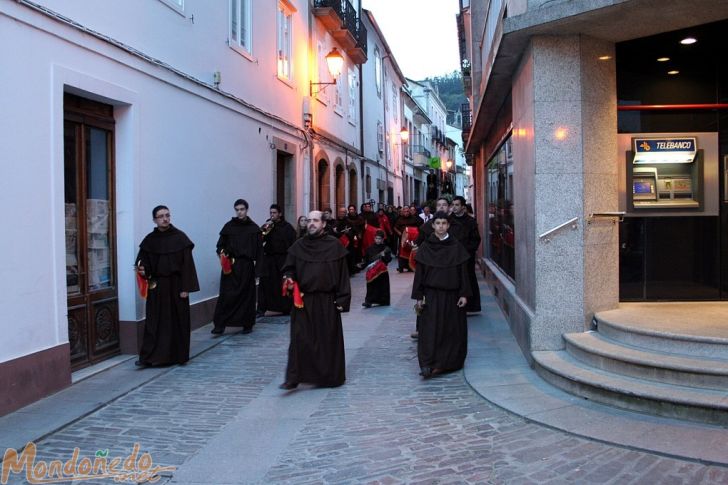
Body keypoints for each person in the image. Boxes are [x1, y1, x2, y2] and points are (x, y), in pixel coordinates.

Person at [280, 211, 351, 389]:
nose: (311, 223)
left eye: (315, 220)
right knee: (300, 338)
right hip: (303, 300)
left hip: (327, 301)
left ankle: (329, 377)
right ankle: (294, 377)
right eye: (309, 220)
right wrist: (288, 279)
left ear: (323, 224)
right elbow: (289, 269)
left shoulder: (334, 246)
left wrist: (342, 299)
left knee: (326, 339)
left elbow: (343, 275)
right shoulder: (298, 246)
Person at [135, 205, 199, 367]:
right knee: (154, 321)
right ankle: (149, 357)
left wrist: (186, 288)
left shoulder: (180, 238)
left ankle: (178, 356)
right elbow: (142, 262)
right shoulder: (150, 240)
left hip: (177, 286)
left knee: (178, 320)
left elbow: (187, 265)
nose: (165, 218)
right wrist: (142, 269)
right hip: (157, 286)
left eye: (167, 215)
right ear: (154, 220)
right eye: (161, 216)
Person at [412, 211, 470, 378]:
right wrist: (419, 296)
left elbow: (463, 273)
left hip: (452, 296)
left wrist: (464, 294)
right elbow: (420, 274)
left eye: (444, 223)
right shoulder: (426, 247)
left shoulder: (456, 247)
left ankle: (445, 363)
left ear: (448, 226)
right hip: (430, 296)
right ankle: (427, 364)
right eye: (438, 223)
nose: (441, 227)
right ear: (433, 225)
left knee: (449, 330)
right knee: (429, 330)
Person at [211, 199, 262, 336]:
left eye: (242, 209)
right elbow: (220, 245)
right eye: (237, 209)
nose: (239, 212)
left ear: (247, 210)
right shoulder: (229, 227)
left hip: (246, 266)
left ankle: (247, 323)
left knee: (247, 296)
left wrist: (258, 271)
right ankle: (220, 325)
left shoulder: (254, 228)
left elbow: (259, 251)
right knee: (227, 295)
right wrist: (222, 253)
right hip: (231, 266)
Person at [257, 204, 297, 317]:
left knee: (282, 283)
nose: (272, 215)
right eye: (271, 213)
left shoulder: (287, 227)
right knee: (265, 283)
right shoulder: (268, 225)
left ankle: (286, 308)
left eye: (274, 213)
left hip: (282, 259)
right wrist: (265, 230)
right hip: (269, 259)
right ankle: (262, 308)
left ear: (280, 214)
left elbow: (292, 243)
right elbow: (259, 240)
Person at [449, 196, 482, 313]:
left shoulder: (470, 221)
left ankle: (471, 305)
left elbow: (476, 239)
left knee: (469, 278)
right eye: (453, 205)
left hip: (467, 256)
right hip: (451, 257)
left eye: (457, 205)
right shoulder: (448, 221)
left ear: (463, 207)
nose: (454, 207)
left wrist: (467, 251)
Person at [363, 230, 392, 308]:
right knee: (371, 286)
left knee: (382, 287)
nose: (378, 240)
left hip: (382, 271)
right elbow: (366, 259)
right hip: (372, 270)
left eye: (379, 238)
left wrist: (383, 256)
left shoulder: (386, 248)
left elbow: (389, 260)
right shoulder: (370, 248)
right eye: (376, 238)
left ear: (382, 239)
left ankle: (382, 301)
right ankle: (369, 301)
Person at [393, 206, 422, 272]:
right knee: (401, 253)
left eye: (408, 211)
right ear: (403, 212)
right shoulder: (399, 219)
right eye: (405, 211)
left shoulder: (414, 218)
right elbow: (395, 227)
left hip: (412, 238)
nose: (406, 213)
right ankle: (401, 267)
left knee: (411, 252)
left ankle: (410, 266)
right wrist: (400, 233)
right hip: (403, 238)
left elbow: (419, 227)